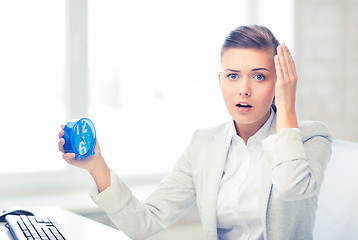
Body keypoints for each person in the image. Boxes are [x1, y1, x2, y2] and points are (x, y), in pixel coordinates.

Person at [58, 25, 332, 240]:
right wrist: (97, 166)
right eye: (233, 75)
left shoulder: (310, 137)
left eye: (259, 76)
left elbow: (292, 188)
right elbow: (144, 224)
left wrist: (286, 106)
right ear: (221, 81)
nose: (244, 89)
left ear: (280, 82)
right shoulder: (204, 144)